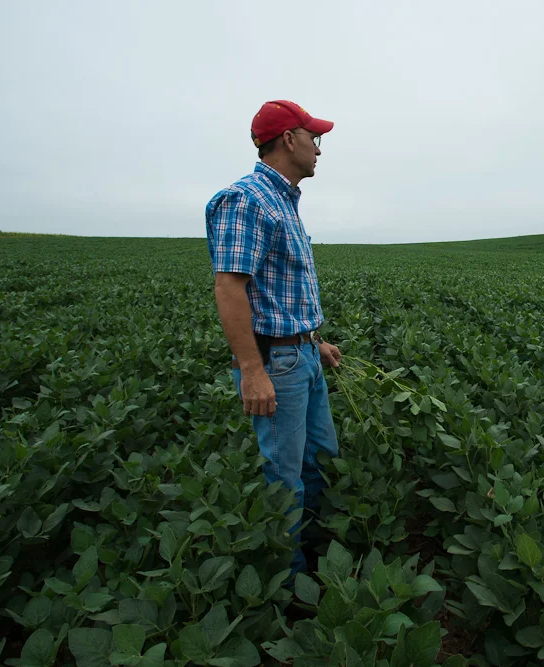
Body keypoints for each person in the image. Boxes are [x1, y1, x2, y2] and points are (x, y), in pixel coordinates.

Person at [204, 100, 342, 575]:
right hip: (277, 366)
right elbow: (230, 287)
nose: (319, 150)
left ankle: (324, 555)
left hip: (301, 355)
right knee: (285, 479)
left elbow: (279, 290)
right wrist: (252, 370)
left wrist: (313, 342)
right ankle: (291, 584)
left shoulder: (284, 201)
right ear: (289, 139)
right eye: (314, 138)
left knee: (320, 460)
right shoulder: (247, 199)